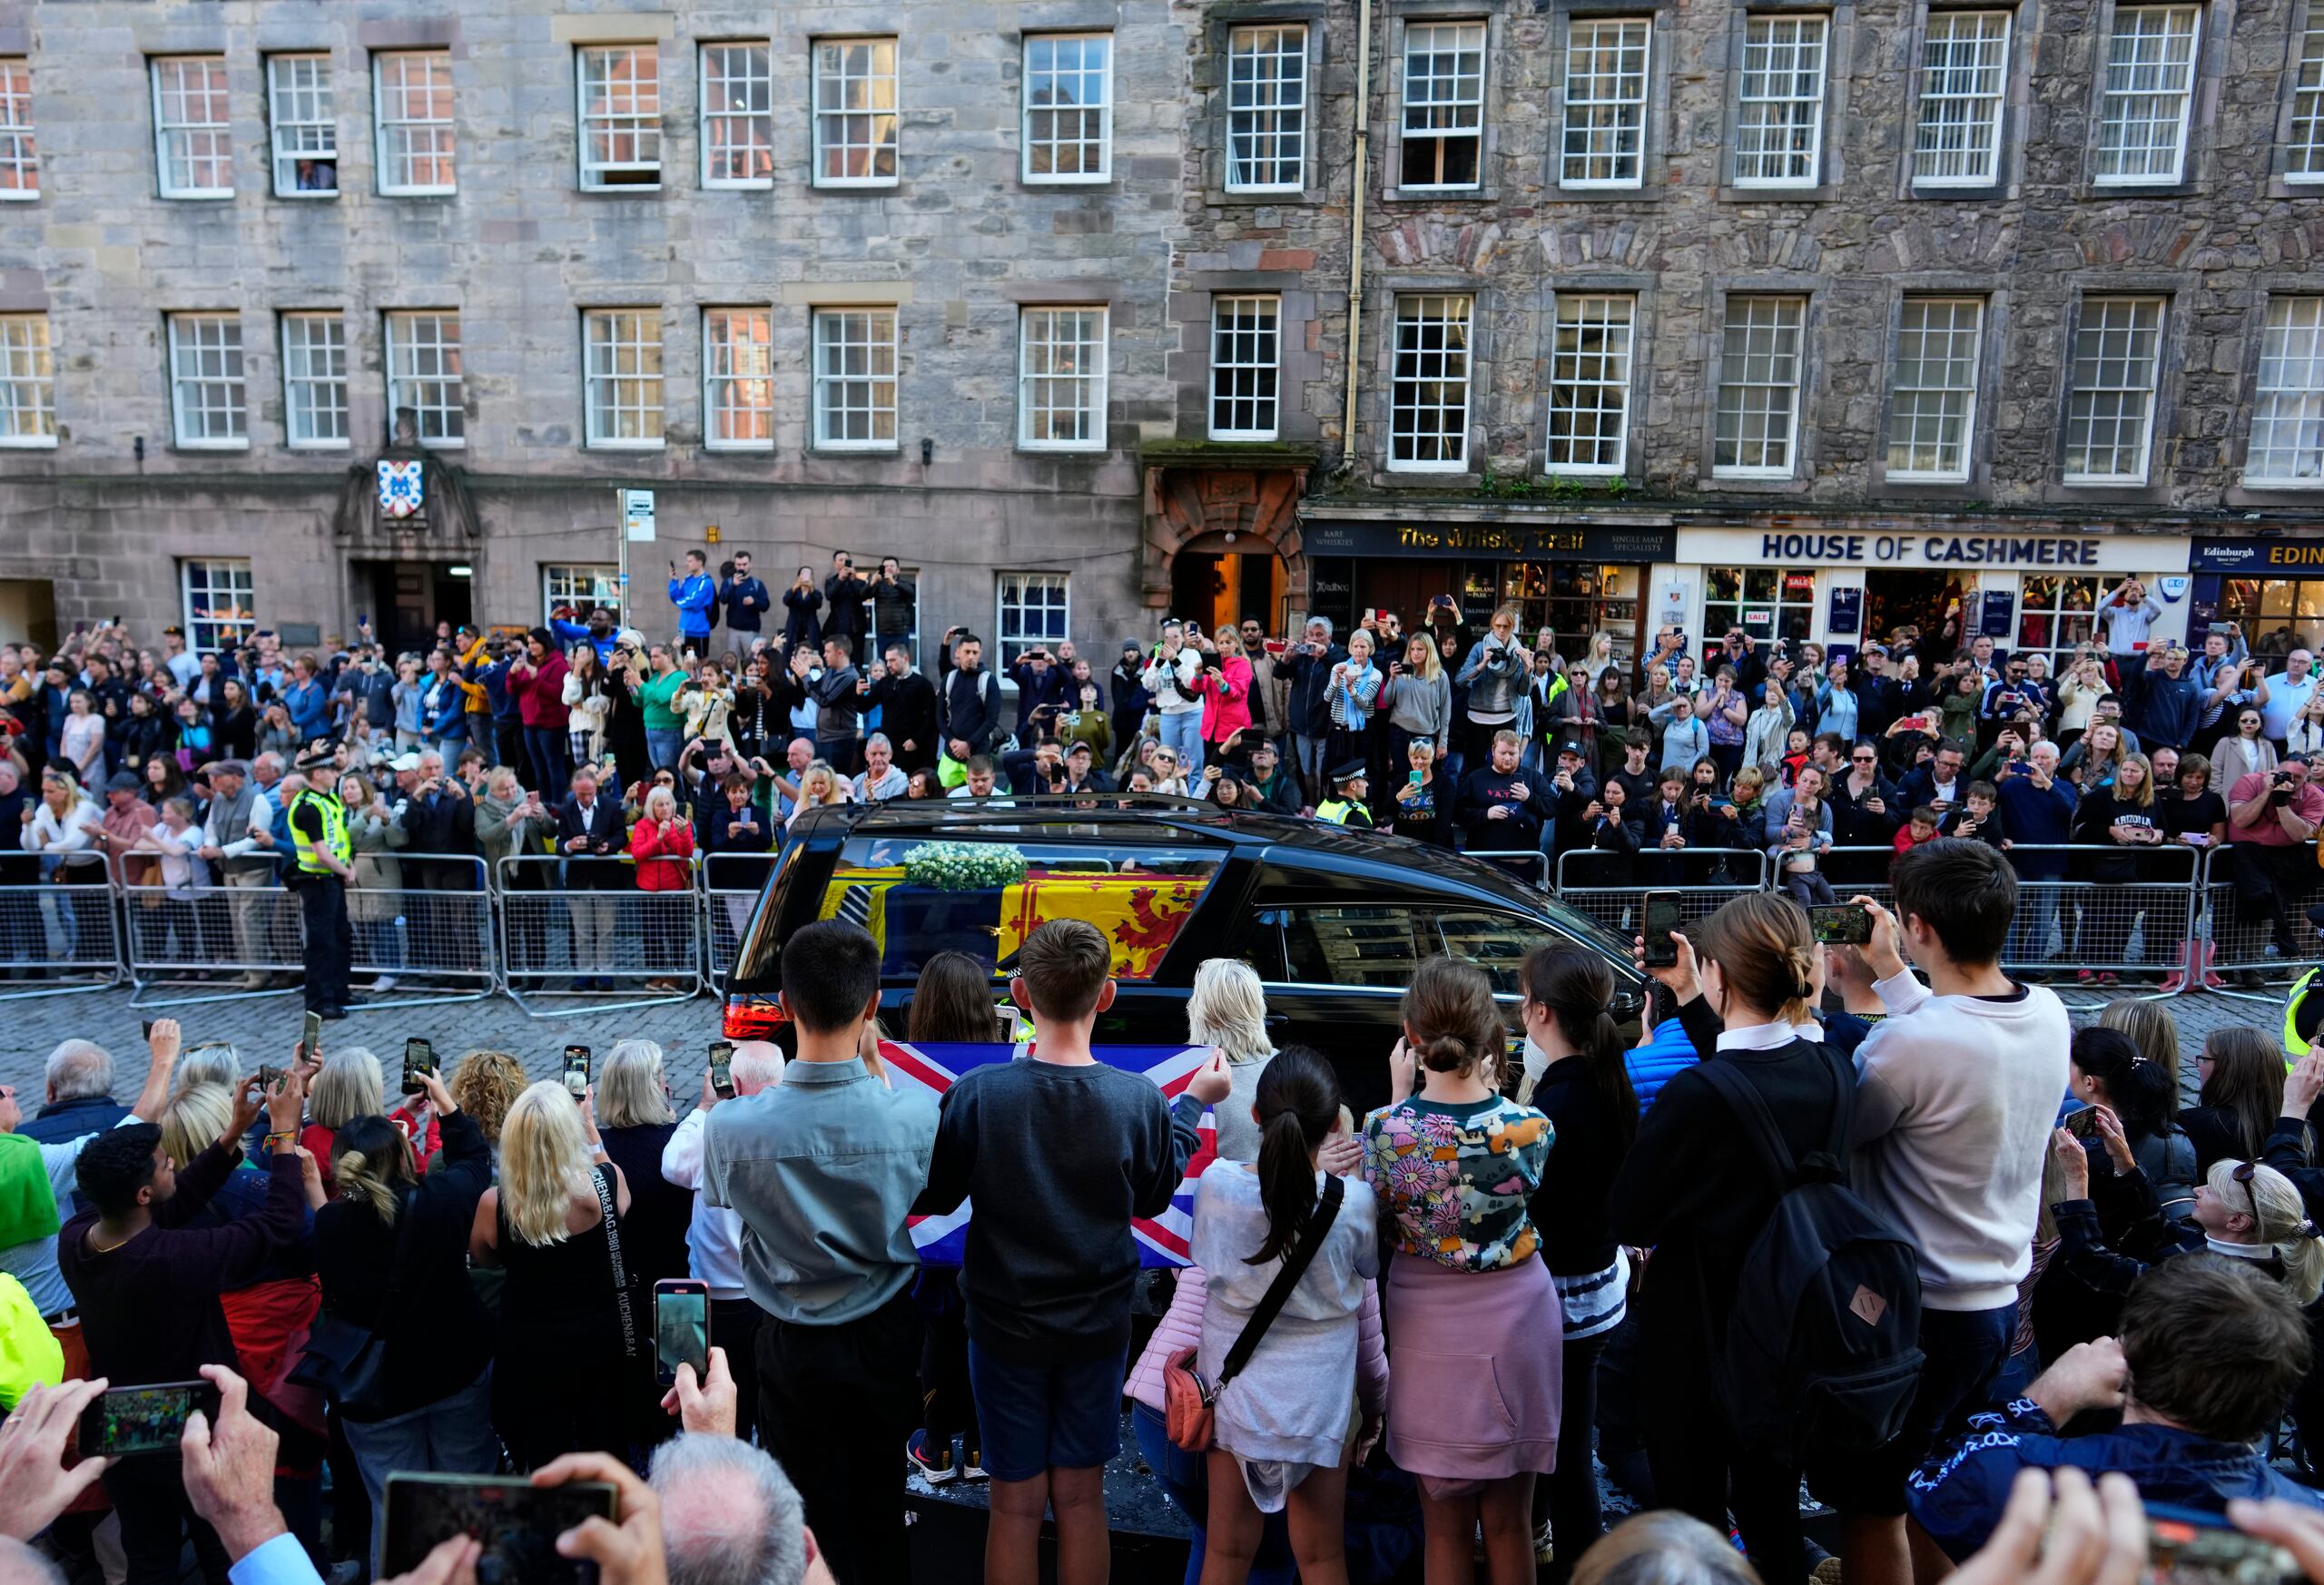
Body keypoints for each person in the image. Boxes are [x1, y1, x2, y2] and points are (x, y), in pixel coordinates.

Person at [916, 918, 1231, 1585]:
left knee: (1014, 1505)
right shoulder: (1138, 1100)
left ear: (1020, 993)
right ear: (1108, 995)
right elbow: (1152, 1199)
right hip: (1097, 1326)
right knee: (1084, 1498)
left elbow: (936, 1196)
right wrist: (1190, 1108)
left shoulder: (975, 1097)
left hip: (1002, 1327)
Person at [1836, 839, 2071, 1585]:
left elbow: (1844, 1130)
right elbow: (1958, 1037)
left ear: (1920, 928)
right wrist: (1897, 975)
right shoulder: (2049, 1011)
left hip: (1919, 1313)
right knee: (1928, 1488)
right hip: (1998, 1305)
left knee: (1873, 1504)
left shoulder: (1910, 1042)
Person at [1611, 892, 1850, 1583]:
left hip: (1698, 1334)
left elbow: (1629, 1216)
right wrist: (1691, 994)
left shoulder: (1697, 1095)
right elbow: (1754, 1073)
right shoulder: (1831, 1068)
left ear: (1722, 975)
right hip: (1791, 1323)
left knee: (1695, 1522)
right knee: (1773, 1513)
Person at [704, 920, 936, 1585]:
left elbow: (725, 1202)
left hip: (790, 1342)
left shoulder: (730, 1127)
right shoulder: (918, 1115)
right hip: (885, 1335)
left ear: (782, 1004)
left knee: (804, 1519)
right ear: (871, 1006)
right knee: (882, 1506)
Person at [60, 1068, 307, 1585]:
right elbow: (277, 1226)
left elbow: (176, 1203)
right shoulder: (169, 1260)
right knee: (223, 1555)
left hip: (122, 1421)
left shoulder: (80, 1237)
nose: (175, 1163)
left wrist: (232, 1134)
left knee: (149, 1559)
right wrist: (283, 1135)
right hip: (190, 1424)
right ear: (143, 1194)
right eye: (166, 1163)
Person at [1909, 1258, 2324, 1557]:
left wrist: (2047, 1399)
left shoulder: (2025, 1482)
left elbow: (1926, 1483)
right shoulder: (2308, 1529)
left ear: (2125, 1355)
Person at [1359, 957, 1554, 1585]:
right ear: (1490, 1033)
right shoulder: (1531, 1126)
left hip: (1425, 1324)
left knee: (1441, 1525)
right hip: (1519, 1319)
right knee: (1510, 1523)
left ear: (1412, 1034)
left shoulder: (1384, 1131)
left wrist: (1397, 1099)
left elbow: (1384, 1201)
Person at [1191, 1046, 1382, 1585]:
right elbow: (1366, 1269)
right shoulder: (1355, 1203)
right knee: (1322, 1559)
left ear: (1255, 1116)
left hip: (1235, 1393)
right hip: (1320, 1402)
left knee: (1226, 1555)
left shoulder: (1218, 1186)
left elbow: (1204, 1262)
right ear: (1336, 1123)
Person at [311, 1068, 496, 1561]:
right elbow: (476, 1162)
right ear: (402, 1157)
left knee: (392, 1514)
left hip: (377, 1392)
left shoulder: (328, 1225)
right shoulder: (440, 1202)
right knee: (467, 1497)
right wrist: (446, 1105)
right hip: (454, 1372)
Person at [1517, 944, 1636, 1580]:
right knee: (1570, 1442)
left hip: (1560, 1303)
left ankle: (1580, 1564)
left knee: (1564, 1454)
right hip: (1600, 1292)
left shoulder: (1551, 1112)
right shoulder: (1609, 1083)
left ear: (1540, 1012)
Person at [469, 1079, 645, 1469]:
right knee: (607, 1451)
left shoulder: (495, 1204)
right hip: (602, 1344)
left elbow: (483, 1257)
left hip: (532, 1352)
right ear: (570, 1136)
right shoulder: (604, 1184)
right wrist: (590, 1129)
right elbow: (623, 1203)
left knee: (546, 1461)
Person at [659, 1042, 783, 1450]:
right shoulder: (791, 1130)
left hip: (716, 1300)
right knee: (772, 1411)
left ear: (736, 1081)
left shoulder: (711, 1133)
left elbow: (671, 1163)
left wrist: (703, 1106)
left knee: (724, 1413)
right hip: (774, 1298)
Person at [595, 1041, 692, 1304]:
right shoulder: (678, 1144)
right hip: (677, 1280)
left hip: (618, 1285)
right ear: (656, 1089)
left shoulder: (595, 1149)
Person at [286, 746, 355, 1021]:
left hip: (332, 878)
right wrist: (346, 871)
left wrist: (346, 865)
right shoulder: (308, 807)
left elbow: (337, 838)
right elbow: (321, 851)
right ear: (317, 773)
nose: (335, 774)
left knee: (340, 936)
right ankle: (319, 1001)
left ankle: (339, 991)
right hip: (317, 880)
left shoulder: (327, 799)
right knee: (321, 942)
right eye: (330, 770)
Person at [556, 765, 627, 992]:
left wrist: (608, 846)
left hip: (606, 878)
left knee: (606, 931)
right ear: (573, 790)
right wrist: (570, 845)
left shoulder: (611, 806)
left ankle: (605, 974)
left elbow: (621, 836)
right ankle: (584, 973)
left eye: (590, 793)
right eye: (581, 794)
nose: (586, 798)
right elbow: (560, 843)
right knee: (582, 932)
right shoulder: (566, 810)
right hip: (578, 881)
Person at [2181, 1028, 2288, 1172]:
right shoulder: (2297, 1129)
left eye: (2204, 1060)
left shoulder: (2195, 1123)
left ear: (2227, 1069)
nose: (2198, 1067)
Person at [629, 784, 696, 994]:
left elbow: (685, 852)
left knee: (676, 933)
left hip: (674, 888)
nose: (665, 808)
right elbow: (638, 853)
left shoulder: (681, 823)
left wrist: (683, 833)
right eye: (660, 805)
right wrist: (658, 837)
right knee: (652, 934)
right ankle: (656, 973)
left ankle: (676, 974)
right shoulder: (643, 825)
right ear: (652, 807)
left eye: (668, 804)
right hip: (648, 889)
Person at [669, 549, 717, 648]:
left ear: (700, 562)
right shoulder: (688, 579)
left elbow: (694, 602)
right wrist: (674, 581)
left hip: (698, 629)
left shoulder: (706, 582)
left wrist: (680, 602)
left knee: (698, 660)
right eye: (687, 561)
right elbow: (677, 598)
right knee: (682, 660)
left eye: (690, 561)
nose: (687, 564)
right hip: (682, 629)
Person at [720, 551, 770, 639]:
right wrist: (733, 586)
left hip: (751, 630)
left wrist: (754, 601)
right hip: (733, 630)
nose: (741, 567)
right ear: (735, 565)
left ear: (750, 565)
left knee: (751, 653)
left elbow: (765, 605)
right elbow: (723, 600)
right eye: (738, 564)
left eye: (744, 564)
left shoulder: (757, 584)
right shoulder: (728, 582)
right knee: (732, 653)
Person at [1315, 760, 1371, 827]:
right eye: (1364, 781)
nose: (1367, 784)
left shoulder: (1324, 806)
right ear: (1353, 786)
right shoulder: (1356, 817)